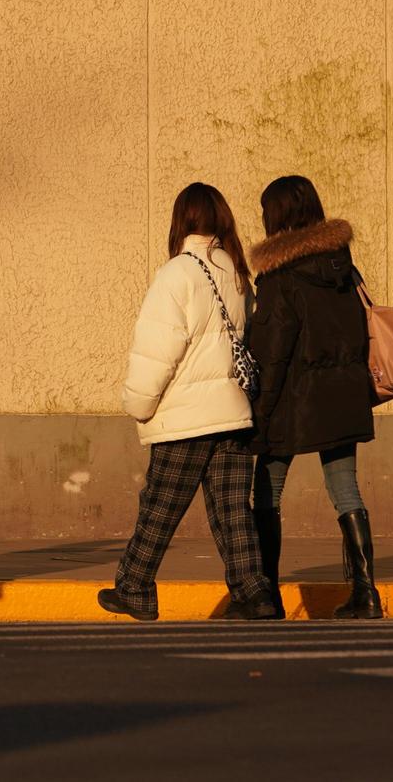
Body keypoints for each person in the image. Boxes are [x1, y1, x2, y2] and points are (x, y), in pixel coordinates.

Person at [101, 182, 280, 622]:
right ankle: (256, 593)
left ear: (182, 221)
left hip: (187, 418)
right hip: (234, 415)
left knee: (161, 504)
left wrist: (139, 404)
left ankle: (135, 587)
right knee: (231, 509)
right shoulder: (236, 274)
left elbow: (158, 349)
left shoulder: (176, 274)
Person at [247, 175, 381, 619]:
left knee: (267, 492)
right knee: (346, 490)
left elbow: (273, 352)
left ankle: (269, 596)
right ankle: (367, 594)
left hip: (291, 403)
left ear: (277, 214)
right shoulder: (342, 268)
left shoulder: (278, 276)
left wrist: (259, 413)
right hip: (341, 396)